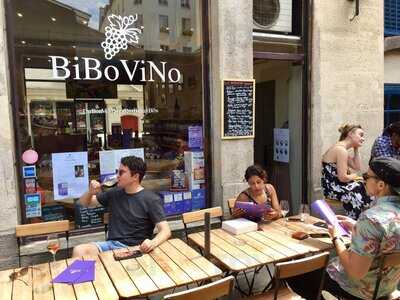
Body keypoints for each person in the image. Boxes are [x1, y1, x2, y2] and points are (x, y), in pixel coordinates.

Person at [286, 157, 400, 299]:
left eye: (367, 176)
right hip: (386, 286)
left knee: (293, 273)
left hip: (359, 290)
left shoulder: (371, 219)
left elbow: (355, 272)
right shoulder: (384, 216)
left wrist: (336, 237)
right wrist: (356, 227)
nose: (363, 179)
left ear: (381, 185)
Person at [72, 156, 171, 257]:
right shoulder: (115, 192)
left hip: (136, 249)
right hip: (111, 246)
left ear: (135, 176)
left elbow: (166, 230)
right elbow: (84, 203)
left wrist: (152, 243)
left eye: (121, 172)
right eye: (117, 172)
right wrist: (90, 192)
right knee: (79, 250)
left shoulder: (151, 199)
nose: (117, 176)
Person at [321, 124, 372, 219]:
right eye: (361, 135)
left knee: (364, 185)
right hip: (334, 189)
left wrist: (356, 148)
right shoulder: (341, 150)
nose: (363, 138)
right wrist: (355, 176)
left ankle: (362, 218)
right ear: (350, 134)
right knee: (362, 186)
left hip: (334, 187)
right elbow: (343, 177)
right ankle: (357, 220)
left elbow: (356, 166)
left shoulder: (341, 148)